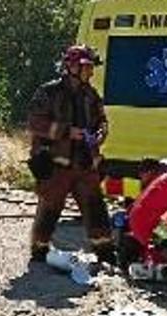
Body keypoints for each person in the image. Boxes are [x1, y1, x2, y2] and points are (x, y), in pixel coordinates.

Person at [27, 44, 112, 263]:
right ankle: (39, 251)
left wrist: (101, 133)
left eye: (91, 67)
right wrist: (66, 132)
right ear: (71, 66)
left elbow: (101, 121)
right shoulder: (49, 92)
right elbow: (34, 123)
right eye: (86, 67)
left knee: (95, 207)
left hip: (84, 164)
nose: (90, 72)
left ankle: (105, 252)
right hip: (56, 164)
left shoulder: (91, 95)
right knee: (50, 208)